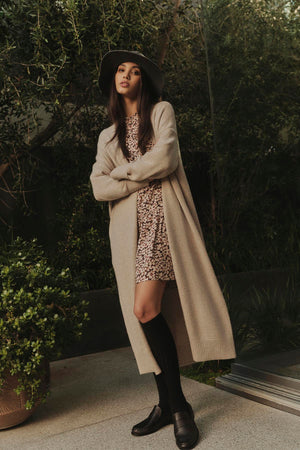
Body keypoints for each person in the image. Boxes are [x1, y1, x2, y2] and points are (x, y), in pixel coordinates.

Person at [90, 50, 236, 450]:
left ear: (144, 82)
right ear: (113, 81)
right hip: (128, 232)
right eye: (121, 70)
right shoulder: (107, 136)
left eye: (134, 71)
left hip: (162, 224)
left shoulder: (161, 113)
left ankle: (179, 409)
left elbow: (165, 159)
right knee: (147, 317)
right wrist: (138, 175)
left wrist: (120, 173)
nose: (126, 75)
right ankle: (166, 404)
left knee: (144, 310)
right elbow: (97, 187)